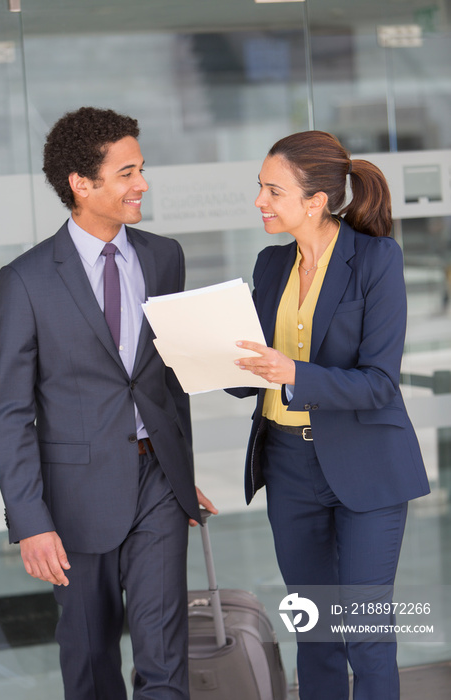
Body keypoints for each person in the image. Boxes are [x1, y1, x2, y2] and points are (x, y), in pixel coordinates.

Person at [0, 106, 216, 700]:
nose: (142, 184)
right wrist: (31, 521)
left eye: (141, 169)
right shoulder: (26, 280)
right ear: (81, 185)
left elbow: (168, 380)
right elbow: (9, 410)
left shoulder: (165, 256)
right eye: (126, 173)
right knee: (89, 661)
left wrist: (182, 473)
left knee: (165, 658)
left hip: (158, 487)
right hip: (73, 499)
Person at [230, 131, 430, 699]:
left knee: (364, 633)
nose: (260, 201)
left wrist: (291, 372)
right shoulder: (270, 265)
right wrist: (207, 357)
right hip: (290, 466)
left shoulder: (376, 259)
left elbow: (379, 385)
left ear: (316, 200)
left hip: (367, 464)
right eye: (260, 188)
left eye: (273, 190)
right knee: (313, 632)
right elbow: (257, 374)